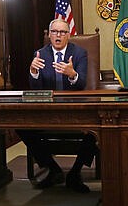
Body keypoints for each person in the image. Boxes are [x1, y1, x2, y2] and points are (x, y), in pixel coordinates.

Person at [16, 18, 97, 194]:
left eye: (62, 32)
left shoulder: (79, 53)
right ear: (50, 34)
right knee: (21, 125)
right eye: (54, 32)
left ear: (68, 35)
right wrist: (33, 72)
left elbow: (81, 83)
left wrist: (72, 74)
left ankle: (74, 174)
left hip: (74, 108)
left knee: (97, 129)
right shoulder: (39, 53)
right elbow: (35, 88)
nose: (58, 35)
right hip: (48, 109)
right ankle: (53, 169)